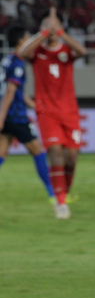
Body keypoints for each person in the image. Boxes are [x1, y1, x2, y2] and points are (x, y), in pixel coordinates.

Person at [18, 7, 87, 219]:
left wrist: (62, 33)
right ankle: (60, 203)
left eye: (53, 27)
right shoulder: (37, 53)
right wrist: (44, 33)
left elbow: (83, 52)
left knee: (72, 157)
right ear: (42, 30)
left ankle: (63, 192)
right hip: (47, 112)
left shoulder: (66, 51)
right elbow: (22, 53)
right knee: (55, 151)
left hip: (70, 112)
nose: (51, 30)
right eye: (47, 27)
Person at [0, 25, 55, 204]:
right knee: (37, 151)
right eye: (27, 38)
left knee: (1, 152)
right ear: (21, 41)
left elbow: (14, 91)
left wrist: (34, 104)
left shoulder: (6, 61)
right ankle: (54, 196)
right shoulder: (18, 64)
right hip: (14, 115)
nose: (30, 40)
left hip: (7, 113)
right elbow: (10, 92)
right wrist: (2, 116)